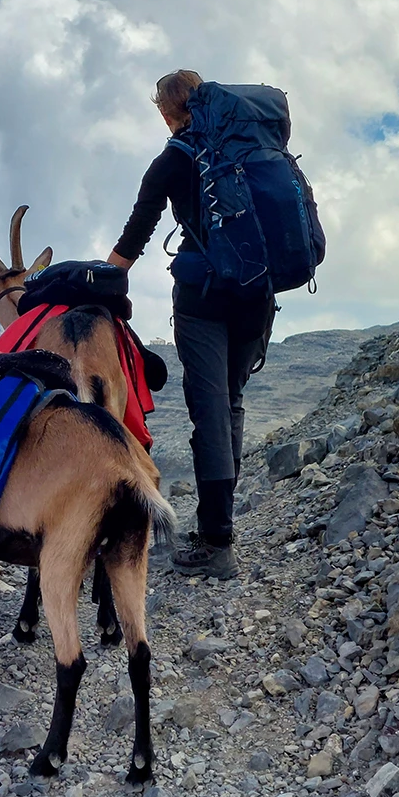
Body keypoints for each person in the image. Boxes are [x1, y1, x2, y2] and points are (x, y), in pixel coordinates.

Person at [108, 69, 275, 580]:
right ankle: (219, 526)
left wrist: (99, 283)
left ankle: (217, 542)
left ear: (166, 111)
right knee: (233, 403)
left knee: (210, 411)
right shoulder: (252, 143)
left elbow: (138, 229)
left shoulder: (174, 159)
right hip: (258, 296)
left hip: (204, 298)